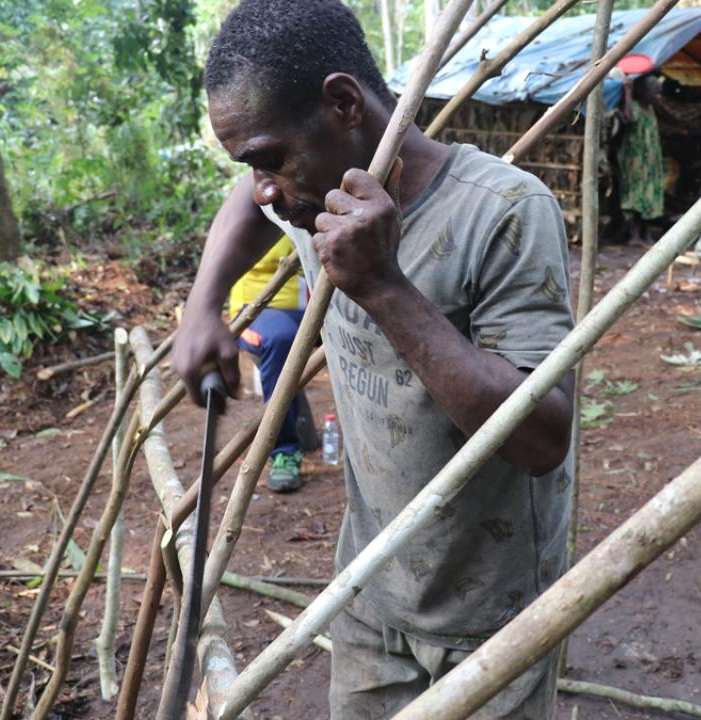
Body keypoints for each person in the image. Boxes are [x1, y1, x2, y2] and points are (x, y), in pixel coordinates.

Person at [172, 1, 576, 715]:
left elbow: (542, 437)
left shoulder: (503, 211)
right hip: (367, 589)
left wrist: (385, 288)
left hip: (491, 609)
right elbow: (248, 194)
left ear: (342, 103)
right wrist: (205, 303)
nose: (265, 190)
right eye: (253, 166)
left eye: (269, 159)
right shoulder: (310, 187)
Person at [230, 235, 311, 492]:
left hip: (318, 304)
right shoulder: (256, 206)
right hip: (258, 308)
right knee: (281, 339)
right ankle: (283, 451)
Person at [616, 74, 665, 244]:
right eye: (656, 93)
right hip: (636, 162)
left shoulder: (651, 110)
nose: (659, 96)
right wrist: (628, 91)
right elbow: (628, 118)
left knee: (650, 196)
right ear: (645, 93)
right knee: (636, 196)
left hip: (651, 162)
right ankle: (634, 235)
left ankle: (646, 234)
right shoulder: (635, 107)